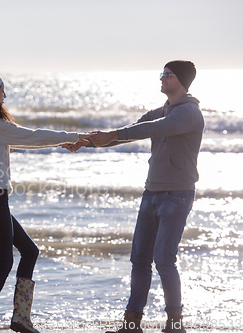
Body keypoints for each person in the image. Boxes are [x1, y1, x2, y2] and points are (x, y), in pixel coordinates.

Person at [68, 60, 204, 333]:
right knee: (139, 259)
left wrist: (112, 135)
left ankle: (175, 325)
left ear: (183, 80)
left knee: (164, 260)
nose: (162, 78)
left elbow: (152, 129)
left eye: (168, 75)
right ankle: (131, 325)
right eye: (162, 74)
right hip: (151, 192)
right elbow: (133, 130)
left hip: (176, 195)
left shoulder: (188, 113)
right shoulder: (162, 110)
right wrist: (88, 140)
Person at [0, 69, 87, 333]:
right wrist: (72, 137)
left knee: (30, 251)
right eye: (1, 91)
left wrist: (61, 142)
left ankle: (20, 317)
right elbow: (31, 136)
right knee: (4, 263)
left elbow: (26, 140)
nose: (5, 95)